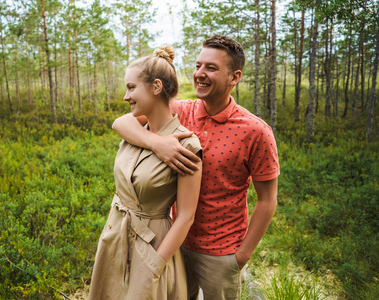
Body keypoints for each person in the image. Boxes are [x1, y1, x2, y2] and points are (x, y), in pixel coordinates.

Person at [112, 34, 280, 300]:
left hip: (221, 254)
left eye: (211, 68)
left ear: (234, 77)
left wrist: (241, 256)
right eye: (198, 66)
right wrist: (157, 143)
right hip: (175, 243)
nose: (200, 74)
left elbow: (268, 200)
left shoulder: (256, 131)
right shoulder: (182, 111)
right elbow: (122, 122)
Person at [88, 46, 203, 300]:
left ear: (156, 87)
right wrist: (156, 143)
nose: (125, 97)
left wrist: (154, 266)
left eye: (131, 88)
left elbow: (186, 217)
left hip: (153, 248)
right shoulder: (133, 135)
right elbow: (119, 123)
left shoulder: (187, 146)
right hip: (114, 237)